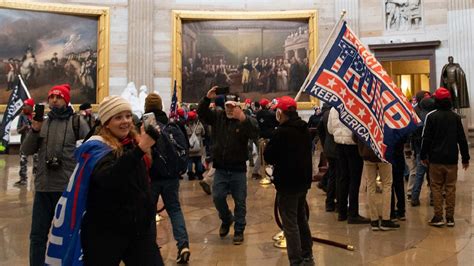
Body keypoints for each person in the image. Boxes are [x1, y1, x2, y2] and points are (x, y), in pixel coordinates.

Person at [78, 95, 163, 265]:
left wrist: (153, 144)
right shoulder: (96, 146)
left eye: (128, 116)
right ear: (106, 122)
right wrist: (141, 149)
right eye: (118, 117)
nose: (125, 121)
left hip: (138, 229)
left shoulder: (133, 141)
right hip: (105, 231)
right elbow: (109, 178)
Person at [21, 84, 89, 266]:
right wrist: (34, 130)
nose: (54, 100)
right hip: (43, 188)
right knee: (37, 236)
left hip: (66, 189)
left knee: (68, 235)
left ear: (66, 100)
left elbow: (88, 151)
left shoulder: (77, 122)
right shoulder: (41, 122)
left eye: (58, 97)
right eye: (51, 97)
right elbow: (25, 150)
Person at [197, 86, 258, 245]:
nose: (230, 109)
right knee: (217, 197)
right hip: (221, 167)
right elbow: (202, 114)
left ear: (238, 106)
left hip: (238, 168)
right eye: (227, 106)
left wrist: (243, 118)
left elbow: (255, 132)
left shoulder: (245, 119)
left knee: (240, 201)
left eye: (233, 106)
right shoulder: (218, 116)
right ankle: (226, 219)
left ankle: (239, 230)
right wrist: (206, 98)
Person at [264, 96, 314, 266]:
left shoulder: (282, 132)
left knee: (290, 224)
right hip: (303, 182)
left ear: (281, 112)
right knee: (301, 220)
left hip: (287, 184)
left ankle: (296, 261)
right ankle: (308, 255)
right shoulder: (304, 129)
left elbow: (268, 155)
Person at [144, 93, 190, 264]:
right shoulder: (173, 125)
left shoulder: (146, 125)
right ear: (161, 106)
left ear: (146, 107)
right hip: (171, 176)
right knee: (175, 210)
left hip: (152, 177)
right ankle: (183, 245)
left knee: (148, 213)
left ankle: (149, 249)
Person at [421, 87, 470, 227]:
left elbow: (426, 139)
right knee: (450, 188)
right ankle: (450, 218)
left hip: (435, 159)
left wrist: (423, 155)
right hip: (451, 160)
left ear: (436, 100)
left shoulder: (431, 116)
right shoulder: (455, 117)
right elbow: (462, 139)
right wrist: (465, 158)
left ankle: (438, 217)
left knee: (436, 187)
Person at [327, 108, 369, 224]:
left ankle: (342, 212)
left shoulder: (333, 108)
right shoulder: (354, 105)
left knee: (343, 178)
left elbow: (330, 129)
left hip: (339, 145)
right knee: (354, 179)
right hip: (353, 145)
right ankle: (353, 214)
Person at [356, 137, 399, 231]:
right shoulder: (386, 122)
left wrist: (362, 148)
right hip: (384, 154)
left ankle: (374, 220)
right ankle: (385, 219)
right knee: (387, 185)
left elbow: (355, 136)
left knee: (371, 185)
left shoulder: (365, 121)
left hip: (367, 153)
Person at [252, 98, 278, 180]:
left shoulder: (259, 114)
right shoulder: (271, 114)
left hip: (261, 136)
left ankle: (255, 172)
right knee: (270, 155)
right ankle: (268, 173)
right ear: (267, 105)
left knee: (261, 155)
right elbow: (277, 120)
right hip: (270, 137)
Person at [15, 98, 38, 186]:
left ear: (31, 106)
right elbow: (18, 130)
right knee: (23, 161)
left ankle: (35, 179)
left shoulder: (37, 115)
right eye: (23, 105)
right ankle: (23, 179)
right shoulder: (22, 116)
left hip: (35, 144)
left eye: (25, 105)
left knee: (37, 161)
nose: (23, 107)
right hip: (25, 143)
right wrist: (24, 127)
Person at [185, 110, 205, 180]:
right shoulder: (199, 125)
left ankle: (190, 174)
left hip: (190, 147)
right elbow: (203, 133)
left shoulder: (186, 126)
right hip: (198, 146)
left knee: (189, 161)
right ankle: (199, 175)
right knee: (199, 161)